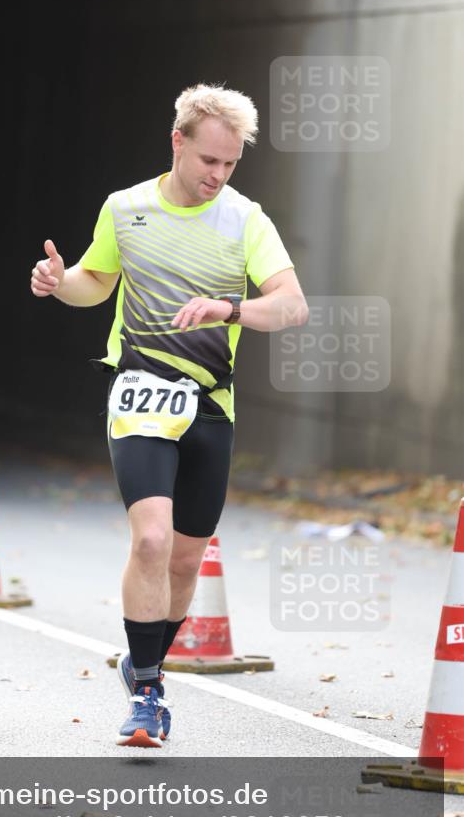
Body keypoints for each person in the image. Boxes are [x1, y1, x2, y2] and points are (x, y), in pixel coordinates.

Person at [30, 84, 308, 748]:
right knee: (151, 541)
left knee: (185, 561)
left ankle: (142, 659)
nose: (217, 174)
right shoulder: (124, 210)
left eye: (230, 164)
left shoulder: (245, 221)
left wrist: (229, 309)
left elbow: (291, 307)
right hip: (139, 394)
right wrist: (58, 282)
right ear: (176, 142)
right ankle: (149, 690)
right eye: (208, 159)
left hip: (210, 404)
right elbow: (95, 281)